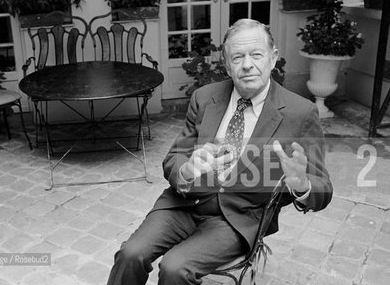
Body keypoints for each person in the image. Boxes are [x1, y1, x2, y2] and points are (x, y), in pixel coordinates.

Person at [106, 18, 333, 285]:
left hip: (236, 219)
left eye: (256, 55)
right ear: (226, 64)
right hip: (183, 204)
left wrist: (302, 184)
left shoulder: (300, 113)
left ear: (273, 58)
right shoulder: (204, 98)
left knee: (175, 268)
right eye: (237, 57)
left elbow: (323, 188)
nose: (247, 65)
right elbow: (173, 159)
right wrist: (187, 169)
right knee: (130, 254)